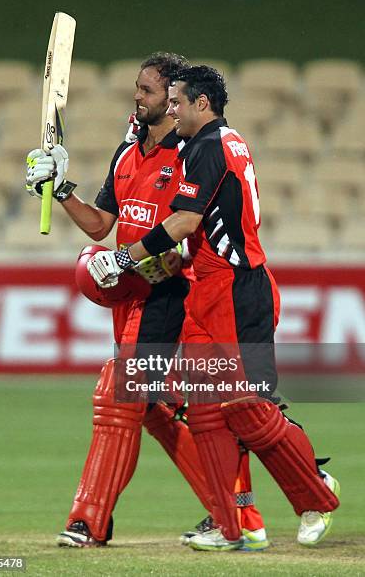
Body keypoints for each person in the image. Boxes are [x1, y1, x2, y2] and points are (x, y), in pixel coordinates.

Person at [88, 64, 341, 550]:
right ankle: (233, 527)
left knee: (247, 409)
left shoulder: (207, 147)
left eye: (178, 102)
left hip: (239, 289)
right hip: (206, 287)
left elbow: (182, 221)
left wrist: (123, 258)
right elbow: (184, 223)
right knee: (205, 412)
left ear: (202, 104)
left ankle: (314, 493)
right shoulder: (215, 143)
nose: (173, 110)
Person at [25, 53, 266, 548]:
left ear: (172, 103)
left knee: (119, 393)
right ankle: (238, 515)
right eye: (138, 88)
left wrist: (139, 260)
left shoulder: (190, 152)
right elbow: (101, 225)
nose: (139, 97)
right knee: (159, 407)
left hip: (174, 295)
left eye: (149, 91)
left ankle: (88, 521)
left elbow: (184, 238)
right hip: (130, 297)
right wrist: (59, 188)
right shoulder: (126, 153)